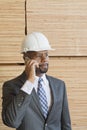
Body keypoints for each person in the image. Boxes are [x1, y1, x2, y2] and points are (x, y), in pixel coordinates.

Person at [2, 32, 72, 130]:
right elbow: (12, 121)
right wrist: (30, 81)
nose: (45, 59)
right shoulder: (11, 86)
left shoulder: (59, 85)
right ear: (26, 59)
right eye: (39, 56)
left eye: (46, 54)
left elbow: (66, 124)